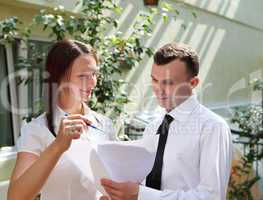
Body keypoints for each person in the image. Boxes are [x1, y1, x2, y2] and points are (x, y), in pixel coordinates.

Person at [100, 42, 233, 200]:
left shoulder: (213, 127)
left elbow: (212, 197)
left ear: (193, 83)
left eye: (169, 82)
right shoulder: (153, 126)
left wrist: (141, 194)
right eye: (155, 80)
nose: (158, 89)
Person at [8, 39, 115, 200]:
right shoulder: (36, 130)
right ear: (59, 78)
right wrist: (58, 146)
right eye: (82, 76)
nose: (92, 82)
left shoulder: (104, 125)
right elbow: (15, 197)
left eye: (94, 74)